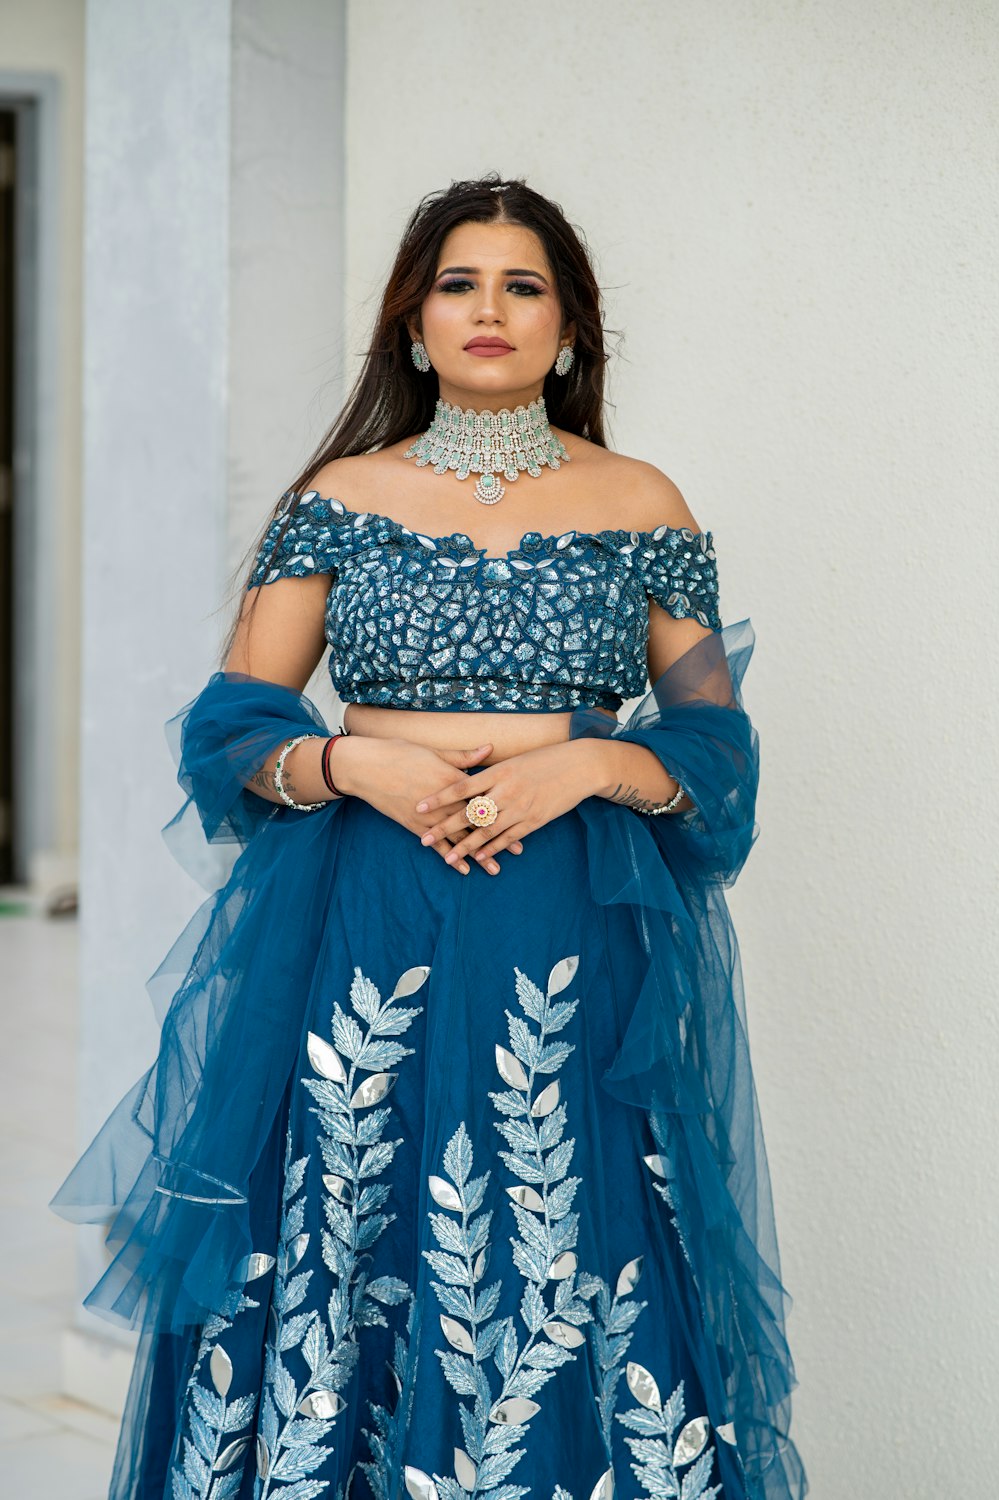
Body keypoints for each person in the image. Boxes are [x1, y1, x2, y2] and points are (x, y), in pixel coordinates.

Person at [52, 173, 807, 1500]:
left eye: (524, 286)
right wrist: (357, 759)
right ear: (411, 322)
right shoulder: (344, 496)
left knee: (560, 1223)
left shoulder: (641, 501)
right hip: (363, 908)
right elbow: (229, 731)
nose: (490, 311)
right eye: (458, 283)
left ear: (570, 328)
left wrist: (586, 766)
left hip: (567, 917)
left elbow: (718, 761)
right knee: (355, 1212)